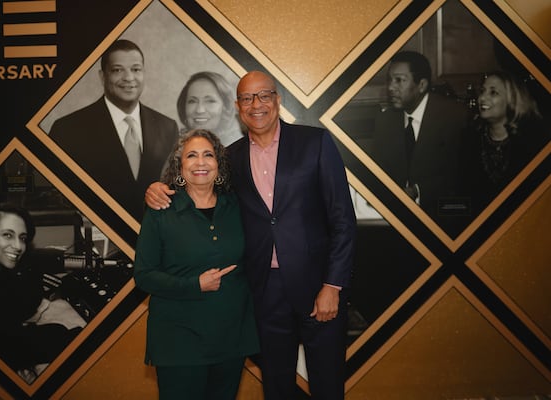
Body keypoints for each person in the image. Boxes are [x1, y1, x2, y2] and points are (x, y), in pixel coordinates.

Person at [145, 71, 357, 400]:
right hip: (262, 293)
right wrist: (158, 189)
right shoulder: (230, 158)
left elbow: (343, 220)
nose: (255, 105)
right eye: (246, 98)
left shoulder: (315, 143)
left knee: (328, 386)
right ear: (237, 106)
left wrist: (333, 285)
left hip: (319, 288)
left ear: (277, 100)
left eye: (263, 96)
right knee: (275, 386)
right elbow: (199, 188)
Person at [134, 129, 259, 400]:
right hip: (180, 341)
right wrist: (194, 285)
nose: (200, 162)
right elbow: (143, 276)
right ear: (180, 166)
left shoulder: (237, 206)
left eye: (208, 155)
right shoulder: (161, 211)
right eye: (191, 155)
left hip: (230, 339)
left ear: (219, 164)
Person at [0, 203, 83, 383]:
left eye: (22, 238)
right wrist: (69, 336)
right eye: (7, 235)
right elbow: (7, 349)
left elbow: (23, 306)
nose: (18, 246)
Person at [49, 39, 179, 221]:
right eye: (118, 70)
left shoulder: (168, 127)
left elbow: (176, 190)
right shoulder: (68, 129)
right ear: (103, 76)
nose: (128, 78)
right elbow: (58, 198)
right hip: (98, 240)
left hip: (157, 238)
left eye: (136, 69)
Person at [370, 50, 468, 223]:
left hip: (444, 217)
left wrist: (418, 191)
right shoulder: (385, 120)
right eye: (389, 80)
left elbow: (460, 176)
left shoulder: (454, 116)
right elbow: (377, 172)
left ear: (421, 85)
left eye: (399, 80)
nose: (391, 87)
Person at [460, 71, 549, 213]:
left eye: (493, 93)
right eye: (482, 91)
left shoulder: (534, 143)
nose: (482, 98)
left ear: (512, 100)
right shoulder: (469, 140)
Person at [176, 71, 244, 146]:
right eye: (192, 101)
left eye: (210, 101)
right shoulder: (174, 145)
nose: (200, 110)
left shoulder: (238, 147)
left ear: (226, 106)